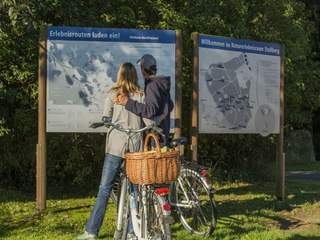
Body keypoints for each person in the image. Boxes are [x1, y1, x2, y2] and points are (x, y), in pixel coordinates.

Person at [77, 62, 153, 240]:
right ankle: (132, 232)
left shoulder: (113, 94)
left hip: (115, 147)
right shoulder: (141, 95)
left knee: (104, 189)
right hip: (135, 147)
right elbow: (149, 122)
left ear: (120, 75)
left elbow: (106, 116)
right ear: (135, 75)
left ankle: (91, 232)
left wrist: (106, 119)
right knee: (136, 191)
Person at [115, 54, 173, 142]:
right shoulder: (160, 83)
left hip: (156, 135)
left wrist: (128, 102)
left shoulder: (152, 85)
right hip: (162, 131)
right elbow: (170, 105)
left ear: (143, 69)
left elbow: (150, 111)